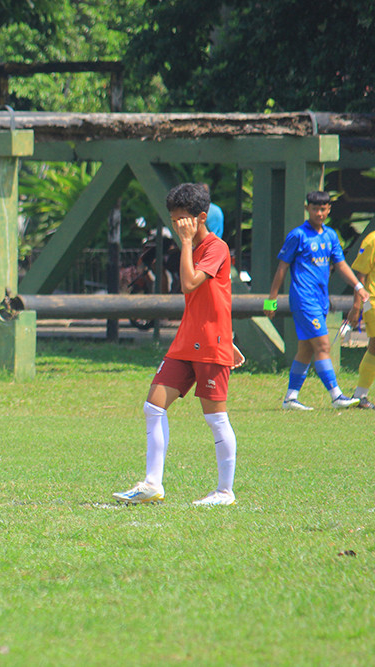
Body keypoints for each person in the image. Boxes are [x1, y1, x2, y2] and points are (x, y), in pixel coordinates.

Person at [113, 183, 244, 507]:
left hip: (211, 344)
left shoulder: (216, 248)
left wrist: (185, 242)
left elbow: (189, 284)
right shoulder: (187, 247)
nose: (177, 226)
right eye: (173, 220)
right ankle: (152, 484)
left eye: (183, 219)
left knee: (215, 417)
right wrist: (184, 243)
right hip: (186, 341)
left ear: (201, 217)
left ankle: (225, 492)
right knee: (153, 406)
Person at [266, 191, 369, 410]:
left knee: (306, 349)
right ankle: (336, 396)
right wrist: (271, 300)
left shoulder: (331, 236)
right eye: (315, 209)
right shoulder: (298, 235)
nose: (319, 213)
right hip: (304, 300)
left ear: (329, 209)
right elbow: (282, 267)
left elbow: (341, 265)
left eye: (323, 209)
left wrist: (358, 287)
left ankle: (290, 399)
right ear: (307, 209)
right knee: (323, 345)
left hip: (320, 300)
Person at [347, 229, 375, 408]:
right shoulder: (372, 240)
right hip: (373, 301)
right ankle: (360, 395)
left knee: (373, 348)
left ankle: (360, 395)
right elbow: (361, 274)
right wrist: (356, 305)